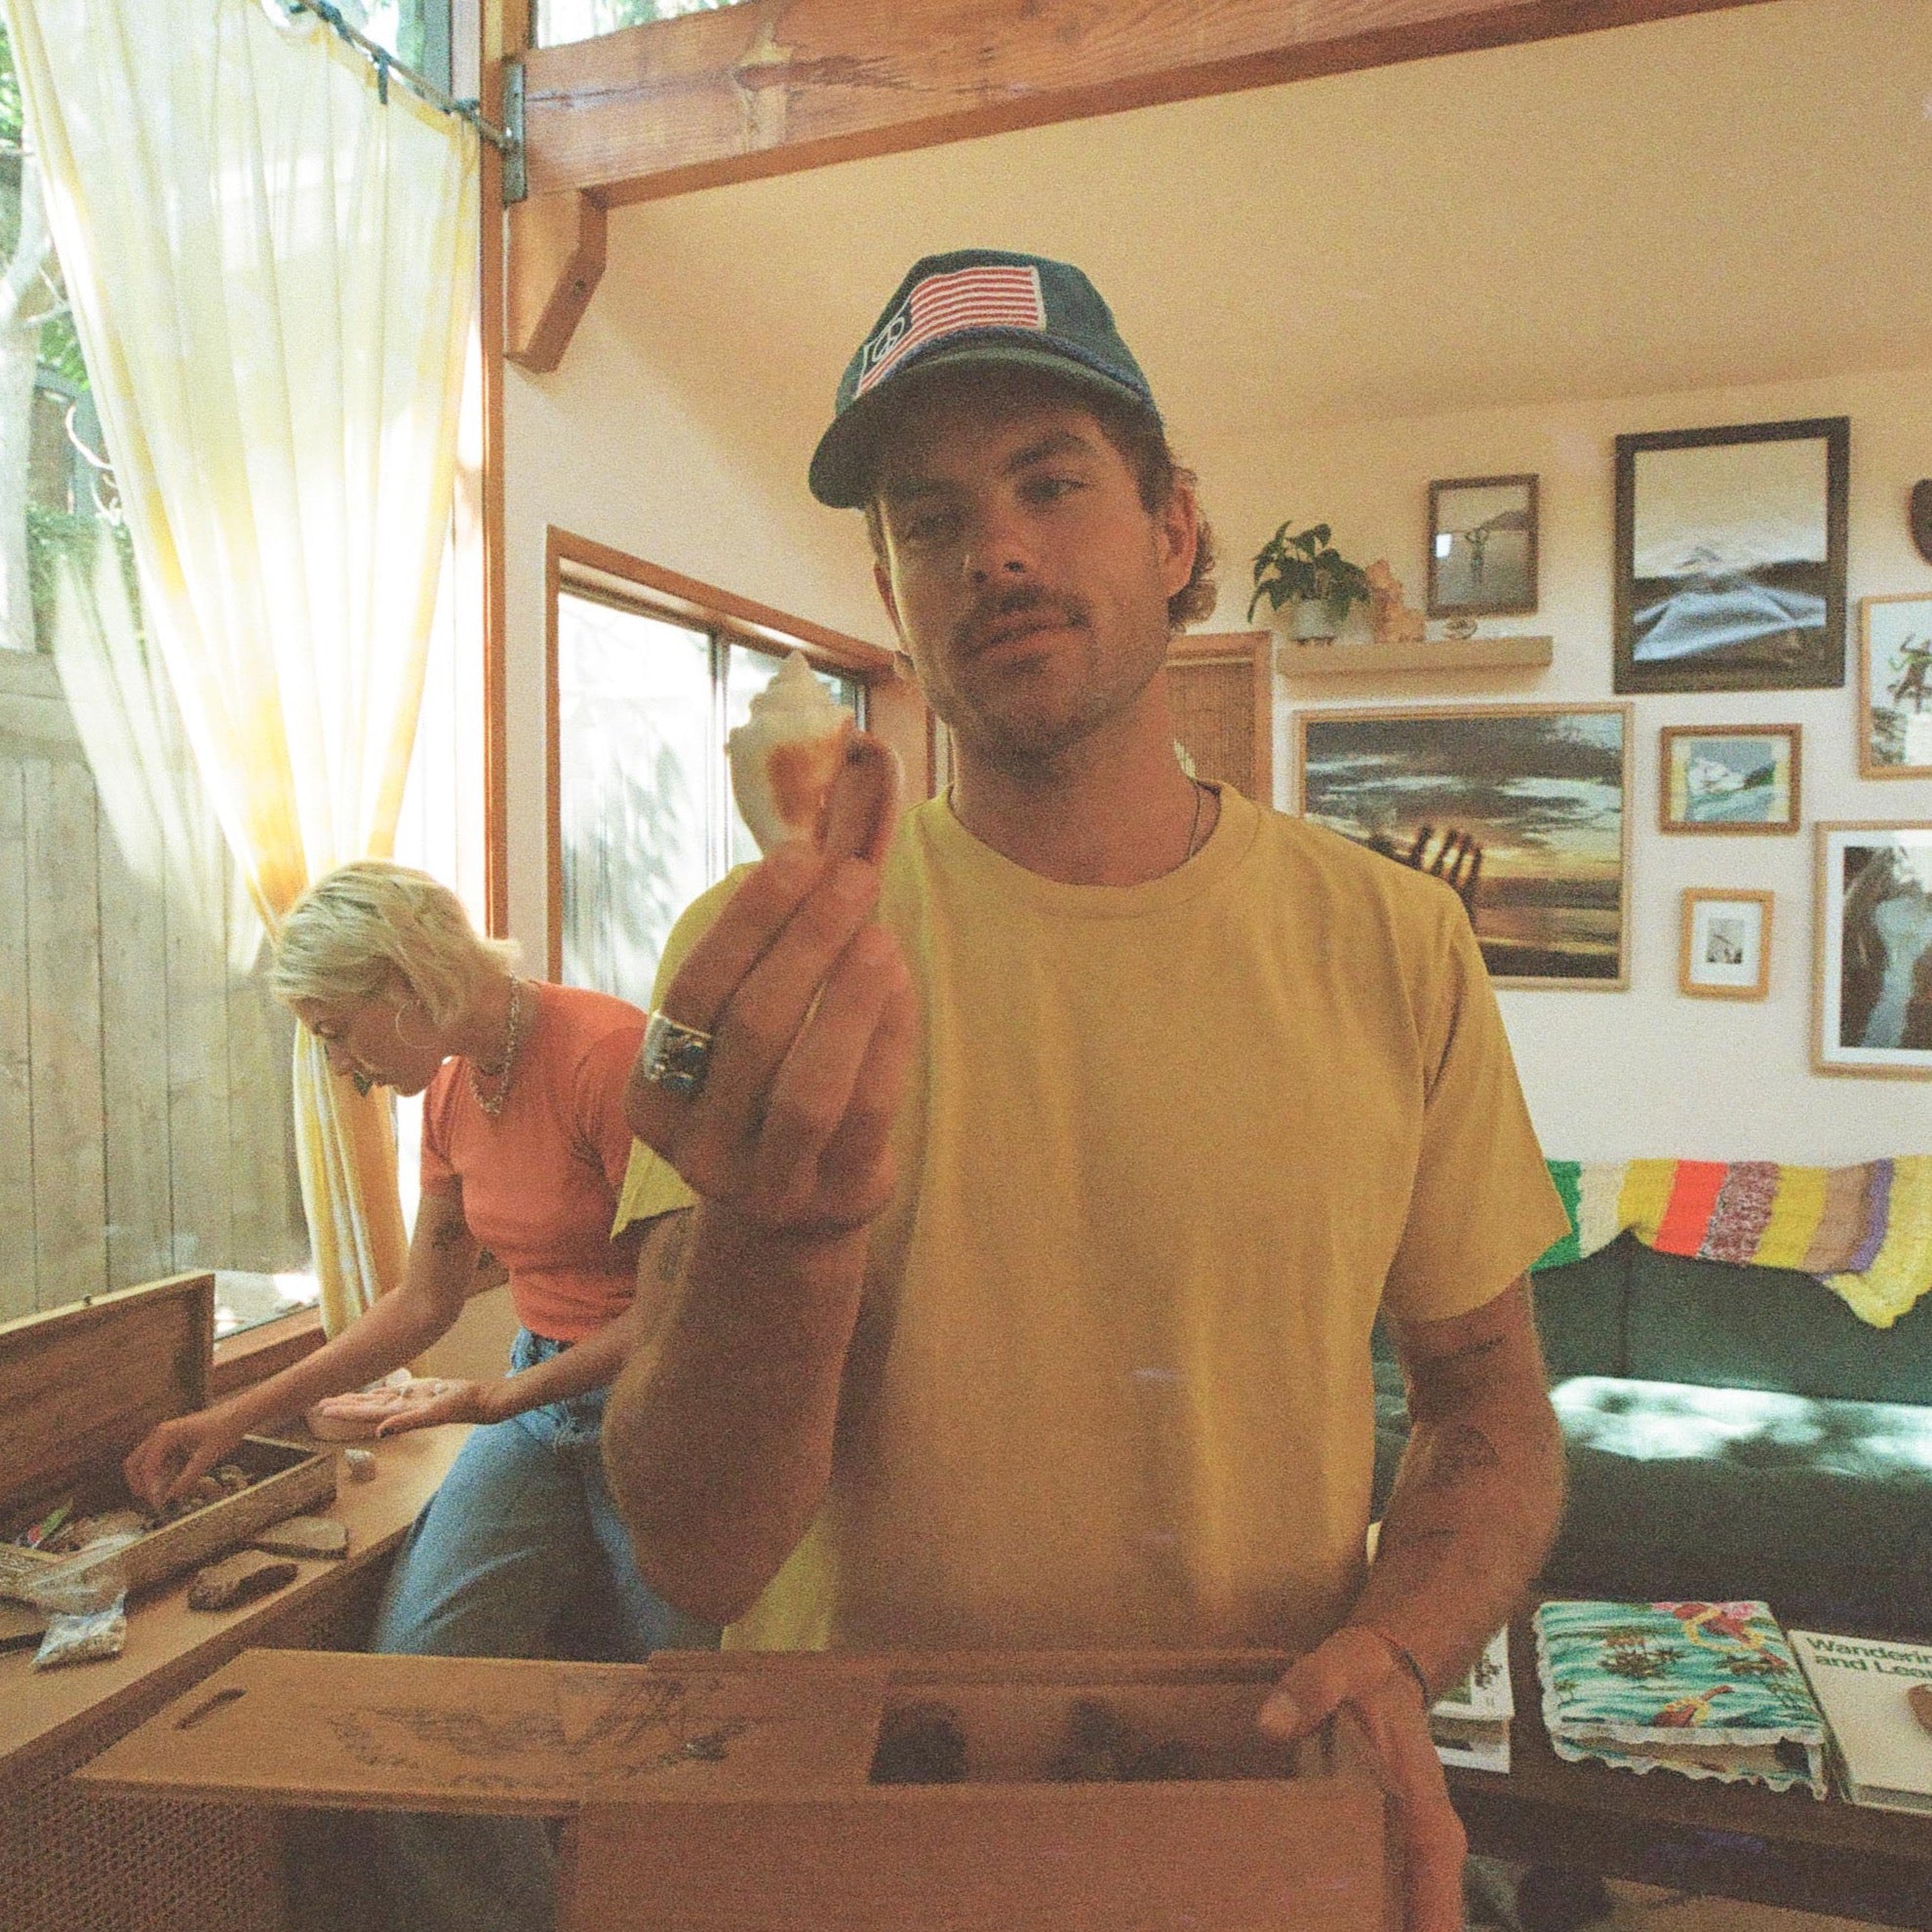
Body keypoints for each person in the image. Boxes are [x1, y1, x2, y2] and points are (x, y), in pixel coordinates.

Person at [600, 250, 1570, 1932]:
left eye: (1050, 482)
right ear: (894, 588)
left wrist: (1393, 1651)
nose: (994, 550)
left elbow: (1489, 1410)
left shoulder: (1396, 947)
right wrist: (783, 1238)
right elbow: (696, 1549)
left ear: (1175, 530)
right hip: (845, 1826)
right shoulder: (755, 962)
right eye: (927, 515)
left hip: (1243, 1797)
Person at [124, 859, 711, 1932]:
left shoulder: (610, 1057)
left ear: (404, 982)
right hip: (539, 1403)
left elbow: (681, 1312)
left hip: (667, 1410)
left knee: (677, 1729)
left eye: (337, 1028)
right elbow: (422, 1301)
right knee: (409, 1696)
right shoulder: (449, 1089)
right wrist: (230, 1415)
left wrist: (495, 1397)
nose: (337, 1063)